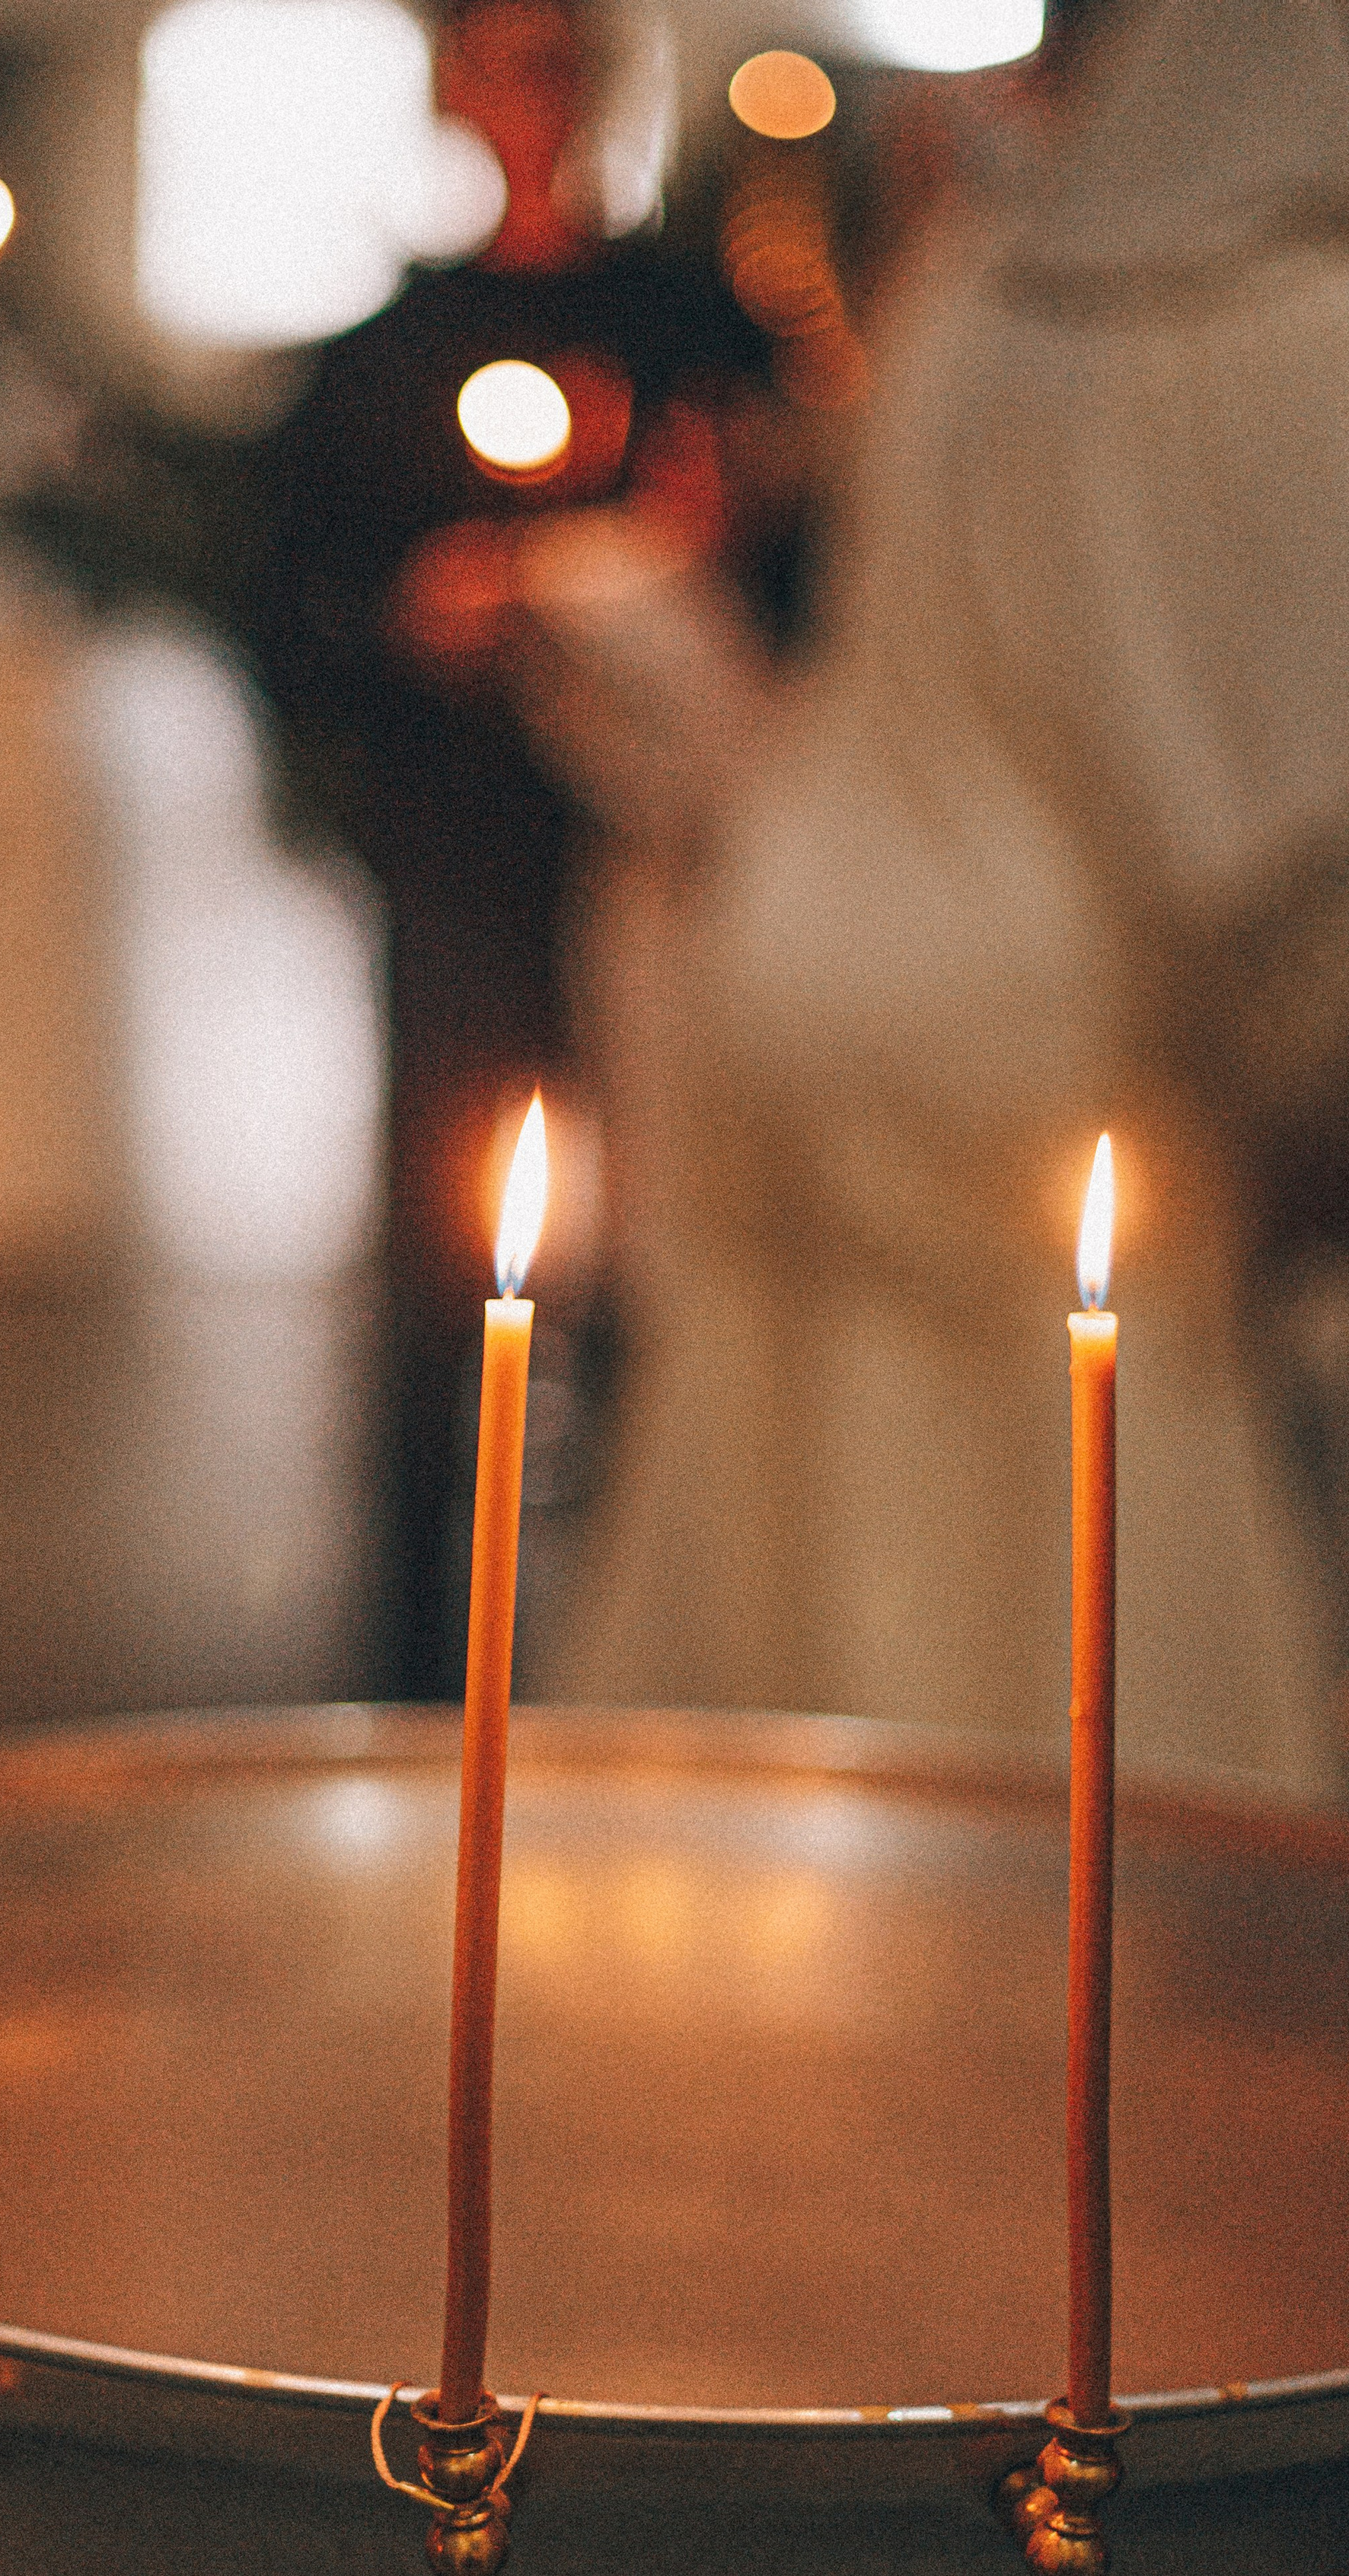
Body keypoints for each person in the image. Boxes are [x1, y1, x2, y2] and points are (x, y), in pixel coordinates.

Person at [555, 0, 1349, 1793]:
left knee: (788, 1603)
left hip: (795, 973)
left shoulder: (973, 272)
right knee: (1069, 1697)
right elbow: (1326, 855)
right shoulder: (1306, 337)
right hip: (1039, 1067)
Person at [259, 0, 795, 1697]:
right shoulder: (382, 352)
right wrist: (421, 619)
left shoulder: (685, 317)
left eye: (553, 65)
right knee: (449, 1265)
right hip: (464, 865)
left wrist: (717, 526)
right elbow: (295, 609)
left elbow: (789, 569)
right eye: (496, 65)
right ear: (452, 90)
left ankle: (647, 1665)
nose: (524, 100)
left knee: (662, 1267)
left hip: (656, 868)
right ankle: (428, 1680)